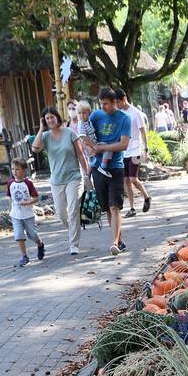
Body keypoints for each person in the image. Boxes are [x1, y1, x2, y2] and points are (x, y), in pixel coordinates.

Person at [32, 105, 90, 256]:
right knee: (61, 213)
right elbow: (35, 148)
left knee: (73, 211)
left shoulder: (69, 133)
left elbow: (81, 155)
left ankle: (74, 244)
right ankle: (74, 229)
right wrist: (40, 129)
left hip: (74, 178)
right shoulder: (45, 136)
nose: (50, 120)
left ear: (57, 118)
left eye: (52, 117)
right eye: (47, 118)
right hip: (56, 180)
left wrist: (87, 174)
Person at [88, 87, 131, 257]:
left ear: (115, 102)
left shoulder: (124, 119)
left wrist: (103, 147)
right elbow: (86, 135)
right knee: (107, 207)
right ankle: (119, 240)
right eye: (101, 104)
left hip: (115, 167)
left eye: (106, 104)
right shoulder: (95, 116)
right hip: (98, 167)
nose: (103, 107)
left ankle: (114, 243)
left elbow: (124, 144)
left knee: (115, 206)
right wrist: (92, 149)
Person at [114, 88, 151, 217]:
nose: (117, 105)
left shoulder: (136, 113)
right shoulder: (118, 113)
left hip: (135, 149)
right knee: (125, 180)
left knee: (133, 178)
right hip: (123, 150)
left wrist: (146, 150)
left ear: (124, 99)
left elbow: (143, 131)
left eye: (118, 102)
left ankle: (146, 197)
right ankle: (132, 207)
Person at [7, 159, 45, 268]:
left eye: (17, 169)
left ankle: (40, 245)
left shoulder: (28, 183)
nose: (15, 171)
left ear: (24, 170)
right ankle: (24, 256)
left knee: (32, 235)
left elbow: (36, 197)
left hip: (28, 215)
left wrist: (27, 202)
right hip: (15, 215)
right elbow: (9, 195)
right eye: (13, 169)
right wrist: (11, 206)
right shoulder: (10, 182)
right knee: (19, 235)